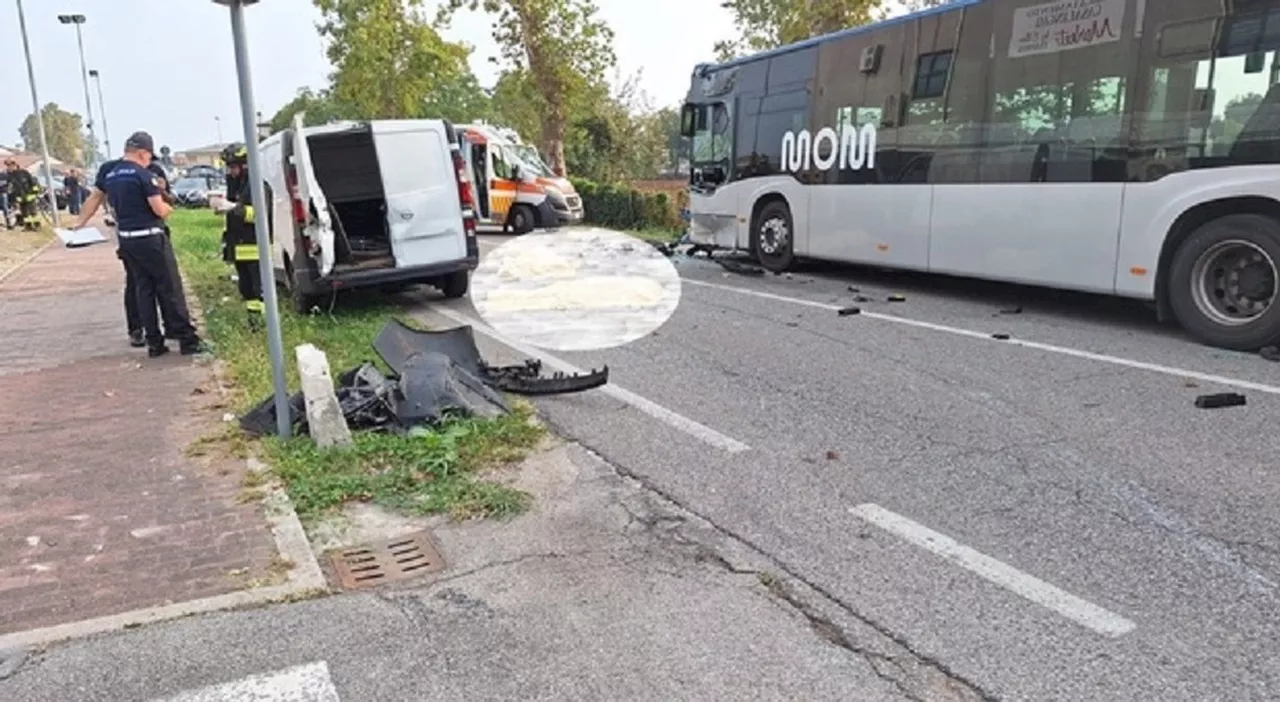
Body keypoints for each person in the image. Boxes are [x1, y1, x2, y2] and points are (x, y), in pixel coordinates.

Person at [74, 132, 203, 357]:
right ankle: (187, 340)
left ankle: (154, 343)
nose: (149, 162)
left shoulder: (110, 174)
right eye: (148, 157)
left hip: (127, 239)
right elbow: (159, 209)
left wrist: (78, 224)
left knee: (143, 289)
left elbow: (94, 199)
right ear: (142, 153)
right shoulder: (144, 176)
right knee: (169, 287)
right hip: (151, 238)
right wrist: (170, 207)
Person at [213, 143, 264, 328]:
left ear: (245, 166)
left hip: (255, 246)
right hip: (239, 246)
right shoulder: (236, 185)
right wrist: (222, 208)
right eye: (229, 167)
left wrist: (235, 208)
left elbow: (259, 214)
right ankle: (254, 323)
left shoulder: (257, 185)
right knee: (246, 288)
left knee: (260, 289)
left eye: (233, 167)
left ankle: (264, 323)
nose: (231, 171)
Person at [4, 159, 41, 231]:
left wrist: (35, 193)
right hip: (20, 197)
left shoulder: (24, 172)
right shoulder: (11, 176)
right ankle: (28, 227)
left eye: (10, 166)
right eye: (8, 166)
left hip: (30, 195)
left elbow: (33, 183)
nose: (9, 168)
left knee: (33, 212)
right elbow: (11, 188)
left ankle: (37, 226)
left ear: (15, 165)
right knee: (25, 213)